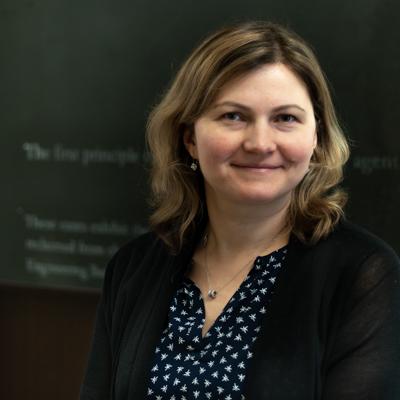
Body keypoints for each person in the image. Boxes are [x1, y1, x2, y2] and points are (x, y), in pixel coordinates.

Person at [80, 21, 400, 400]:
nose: (260, 143)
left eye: (286, 118)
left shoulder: (364, 275)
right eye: (233, 116)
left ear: (315, 138)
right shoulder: (132, 267)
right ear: (190, 138)